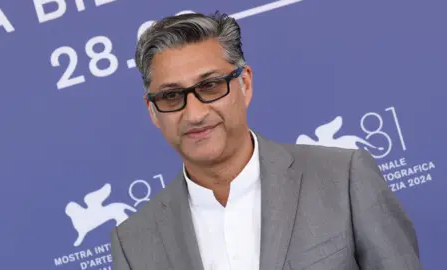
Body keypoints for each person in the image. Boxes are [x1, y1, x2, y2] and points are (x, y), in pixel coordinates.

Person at [111, 11, 422, 270]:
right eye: (171, 96)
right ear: (152, 110)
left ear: (244, 84)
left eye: (210, 86)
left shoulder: (344, 178)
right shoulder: (132, 243)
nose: (194, 113)